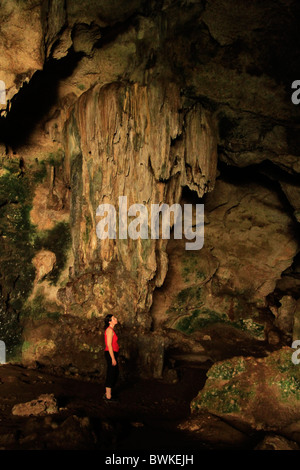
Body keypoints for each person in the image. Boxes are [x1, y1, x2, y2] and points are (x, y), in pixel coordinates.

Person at [103, 314, 119, 402]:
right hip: (110, 353)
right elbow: (109, 345)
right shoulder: (109, 330)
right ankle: (108, 396)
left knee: (114, 372)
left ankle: (108, 393)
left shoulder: (111, 330)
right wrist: (113, 358)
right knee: (111, 373)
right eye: (114, 318)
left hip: (112, 353)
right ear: (110, 321)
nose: (116, 319)